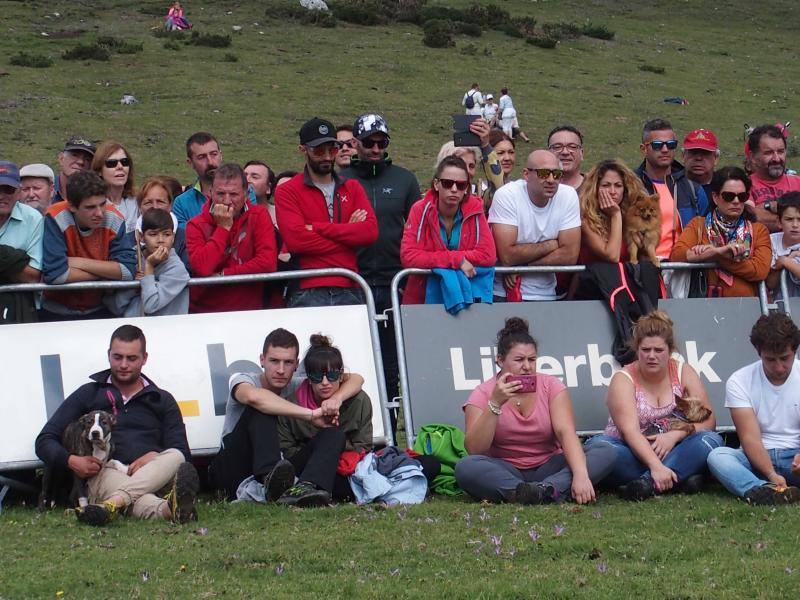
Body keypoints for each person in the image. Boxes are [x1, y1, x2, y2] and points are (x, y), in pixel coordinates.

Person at [35, 324, 199, 525]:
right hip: (107, 472)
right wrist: (72, 461)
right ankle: (167, 509)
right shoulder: (89, 393)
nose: (123, 364)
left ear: (144, 358)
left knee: (176, 455)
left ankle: (112, 504)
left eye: (131, 358)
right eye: (117, 357)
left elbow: (184, 454)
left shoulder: (161, 399)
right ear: (108, 355)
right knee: (125, 489)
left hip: (156, 473)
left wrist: (154, 455)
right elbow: (44, 441)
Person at [454, 317, 615, 504]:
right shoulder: (483, 393)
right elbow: (474, 449)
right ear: (500, 360)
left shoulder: (551, 386)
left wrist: (580, 475)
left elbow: (566, 434)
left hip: (548, 465)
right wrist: (495, 404)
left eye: (532, 359)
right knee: (465, 467)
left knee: (605, 451)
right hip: (505, 467)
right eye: (519, 360)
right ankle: (530, 491)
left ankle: (542, 490)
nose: (527, 367)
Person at [209, 328, 363, 503]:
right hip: (234, 469)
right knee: (261, 409)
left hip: (281, 468)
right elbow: (254, 397)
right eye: (274, 361)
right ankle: (270, 482)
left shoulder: (298, 384)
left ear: (297, 364)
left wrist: (336, 398)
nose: (281, 370)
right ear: (262, 360)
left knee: (334, 434)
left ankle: (307, 489)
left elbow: (356, 379)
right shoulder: (244, 380)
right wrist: (311, 415)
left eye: (288, 362)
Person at [585, 311, 722, 500]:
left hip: (674, 448)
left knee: (710, 440)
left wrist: (676, 435)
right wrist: (655, 465)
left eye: (658, 351)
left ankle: (646, 484)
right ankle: (677, 476)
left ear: (670, 350)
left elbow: (710, 421)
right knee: (600, 448)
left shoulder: (684, 371)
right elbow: (629, 433)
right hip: (631, 451)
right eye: (645, 350)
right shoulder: (623, 378)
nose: (651, 356)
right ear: (636, 349)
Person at [338, 113, 419, 405]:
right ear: (356, 143)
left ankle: (395, 432)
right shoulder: (341, 180)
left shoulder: (404, 179)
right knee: (352, 359)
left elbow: (416, 228)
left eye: (381, 142)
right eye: (369, 142)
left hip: (393, 281)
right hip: (352, 282)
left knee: (390, 361)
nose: (374, 149)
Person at [275, 117, 378, 307]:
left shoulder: (352, 187)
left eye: (332, 149)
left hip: (350, 285)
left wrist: (317, 228)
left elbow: (370, 232)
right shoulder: (287, 190)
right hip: (307, 287)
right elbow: (297, 241)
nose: (328, 156)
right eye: (319, 150)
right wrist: (348, 232)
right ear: (303, 150)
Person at [706, 313, 800, 505]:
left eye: (785, 358)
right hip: (757, 457)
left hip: (795, 455)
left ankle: (762, 489)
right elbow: (749, 438)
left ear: (795, 351)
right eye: (771, 360)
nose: (780, 367)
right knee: (718, 456)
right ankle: (764, 490)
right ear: (759, 353)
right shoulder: (740, 380)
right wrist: (771, 474)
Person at [277, 334, 373, 506]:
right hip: (303, 468)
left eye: (331, 375)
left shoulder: (359, 401)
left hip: (344, 468)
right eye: (316, 377)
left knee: (335, 438)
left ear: (342, 375)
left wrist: (333, 448)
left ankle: (312, 491)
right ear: (308, 378)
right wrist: (321, 442)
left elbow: (363, 447)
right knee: (332, 435)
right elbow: (287, 452)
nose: (324, 382)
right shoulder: (292, 404)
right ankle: (307, 489)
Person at [400, 155, 496, 303]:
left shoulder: (476, 209)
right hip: (422, 299)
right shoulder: (420, 209)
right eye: (447, 183)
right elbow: (409, 257)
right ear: (436, 184)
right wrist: (456, 260)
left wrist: (437, 259)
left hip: (467, 296)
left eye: (461, 185)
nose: (454, 189)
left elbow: (487, 255)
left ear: (467, 188)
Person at [41, 170, 135, 320]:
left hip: (101, 309)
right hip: (56, 312)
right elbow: (56, 275)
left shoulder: (114, 217)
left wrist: (78, 262)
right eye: (90, 207)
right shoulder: (55, 217)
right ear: (72, 206)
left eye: (102, 204)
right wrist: (107, 271)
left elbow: (128, 271)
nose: (99, 213)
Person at [489, 149, 580, 301]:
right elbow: (507, 256)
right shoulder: (507, 195)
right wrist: (551, 245)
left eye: (556, 174)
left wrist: (522, 267)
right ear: (526, 175)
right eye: (544, 173)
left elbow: (569, 256)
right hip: (503, 293)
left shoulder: (568, 195)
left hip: (546, 294)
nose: (551, 180)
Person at [185, 163, 277, 313]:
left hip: (248, 311)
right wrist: (223, 228)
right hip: (205, 313)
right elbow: (202, 268)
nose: (227, 201)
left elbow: (267, 262)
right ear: (210, 193)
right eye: (220, 194)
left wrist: (224, 275)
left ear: (246, 194)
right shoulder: (195, 225)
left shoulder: (258, 216)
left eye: (234, 194)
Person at [671, 166, 771, 298]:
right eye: (729, 196)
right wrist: (718, 251)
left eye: (742, 196)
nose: (736, 201)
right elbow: (677, 255)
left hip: (747, 307)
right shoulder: (698, 225)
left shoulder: (758, 230)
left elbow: (760, 270)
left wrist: (716, 256)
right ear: (715, 197)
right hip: (703, 307)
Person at [635, 118, 709, 262]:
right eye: (657, 145)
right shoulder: (631, 185)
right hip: (644, 269)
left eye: (671, 144)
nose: (665, 150)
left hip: (684, 268)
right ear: (643, 149)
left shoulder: (693, 189)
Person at [112, 208, 189, 317]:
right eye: (153, 234)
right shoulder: (134, 260)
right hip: (133, 326)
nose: (160, 240)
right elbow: (115, 306)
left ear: (173, 238)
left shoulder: (177, 269)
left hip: (165, 330)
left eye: (167, 234)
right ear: (142, 237)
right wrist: (134, 288)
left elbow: (150, 305)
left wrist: (149, 267)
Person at [577, 159, 651, 264]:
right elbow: (612, 256)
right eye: (606, 185)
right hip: (596, 278)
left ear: (625, 189)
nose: (612, 192)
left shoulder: (633, 218)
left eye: (618, 186)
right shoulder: (586, 221)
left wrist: (643, 246)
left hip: (626, 278)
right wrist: (615, 214)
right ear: (595, 189)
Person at [0, 161, 43, 324]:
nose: (1, 195)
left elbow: (32, 276)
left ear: (18, 192)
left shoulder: (33, 219)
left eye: (8, 189)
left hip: (17, 308)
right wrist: (17, 259)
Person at [435, 118, 504, 212]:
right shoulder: (427, 204)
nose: (467, 171)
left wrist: (485, 146)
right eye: (461, 165)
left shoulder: (481, 197)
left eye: (471, 166)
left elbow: (499, 189)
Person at [747, 125, 800, 233]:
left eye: (781, 151)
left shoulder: (797, 182)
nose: (776, 158)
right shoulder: (744, 185)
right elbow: (749, 217)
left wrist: (767, 207)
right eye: (769, 153)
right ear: (753, 157)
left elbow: (758, 216)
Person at [136, 176, 190, 272]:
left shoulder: (184, 238)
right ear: (140, 207)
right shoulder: (129, 238)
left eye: (160, 202)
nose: (155, 207)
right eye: (148, 202)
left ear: (170, 206)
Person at [173, 132, 223, 228]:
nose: (210, 162)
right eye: (202, 157)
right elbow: (187, 239)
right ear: (190, 163)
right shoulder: (181, 203)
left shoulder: (244, 191)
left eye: (214, 154)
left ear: (221, 155)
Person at [92, 141, 139, 234]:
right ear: (99, 171)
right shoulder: (93, 205)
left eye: (125, 162)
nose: (120, 166)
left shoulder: (137, 202)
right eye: (112, 163)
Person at [766, 192, 800, 301]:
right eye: (789, 219)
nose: (795, 225)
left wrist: (787, 262)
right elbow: (770, 284)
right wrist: (784, 262)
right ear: (779, 222)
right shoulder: (771, 241)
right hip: (781, 307)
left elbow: (785, 262)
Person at [53, 135, 95, 204]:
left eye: (87, 159)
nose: (81, 162)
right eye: (75, 155)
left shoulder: (95, 196)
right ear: (61, 158)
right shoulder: (44, 191)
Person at [682, 128, 719, 199]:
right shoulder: (671, 184)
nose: (699, 158)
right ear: (683, 156)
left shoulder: (725, 188)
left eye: (705, 153)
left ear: (716, 158)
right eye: (693, 152)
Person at [547, 125, 585, 190]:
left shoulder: (595, 188)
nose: (565, 152)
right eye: (557, 147)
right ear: (548, 153)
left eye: (572, 147)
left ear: (581, 153)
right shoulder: (535, 189)